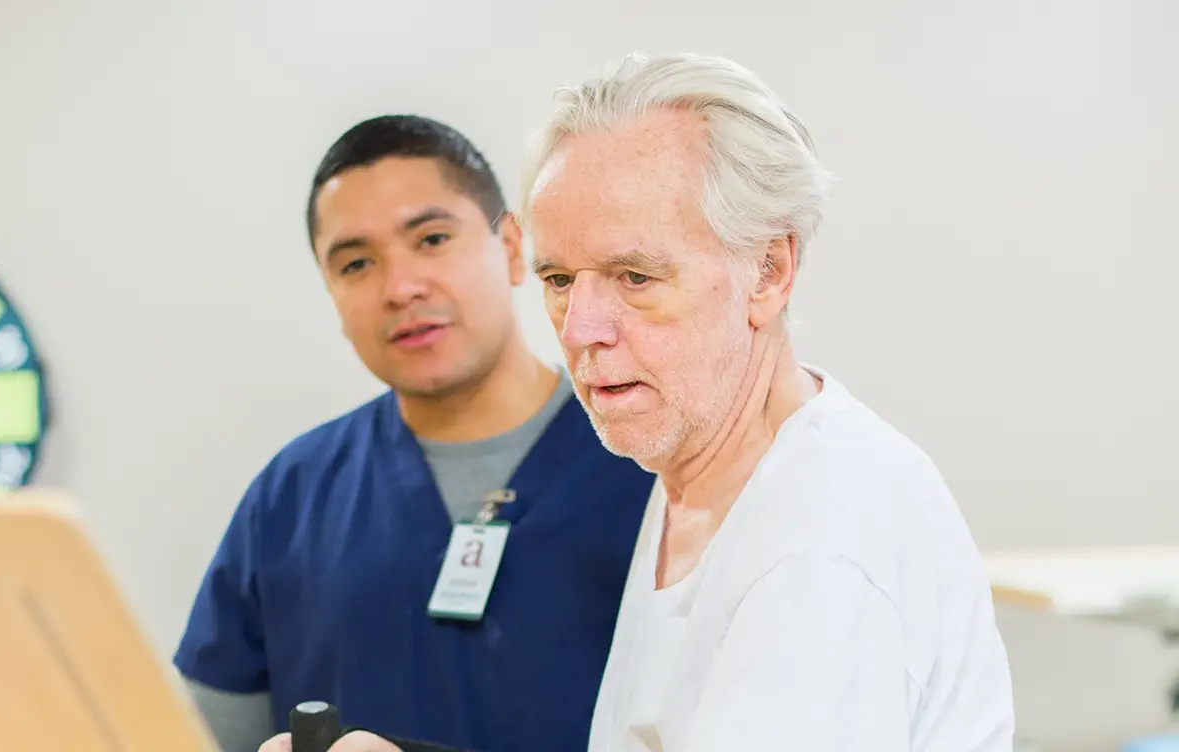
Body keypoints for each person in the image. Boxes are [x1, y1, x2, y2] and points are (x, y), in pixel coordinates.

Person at [271, 52, 1017, 752]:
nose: (582, 332)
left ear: (769, 269)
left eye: (635, 277)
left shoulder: (820, 550)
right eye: (561, 281)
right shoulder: (701, 470)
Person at [177, 114, 655, 752]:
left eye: (431, 239)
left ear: (515, 249)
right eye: (355, 264)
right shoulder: (291, 497)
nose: (400, 288)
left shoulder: (651, 471)